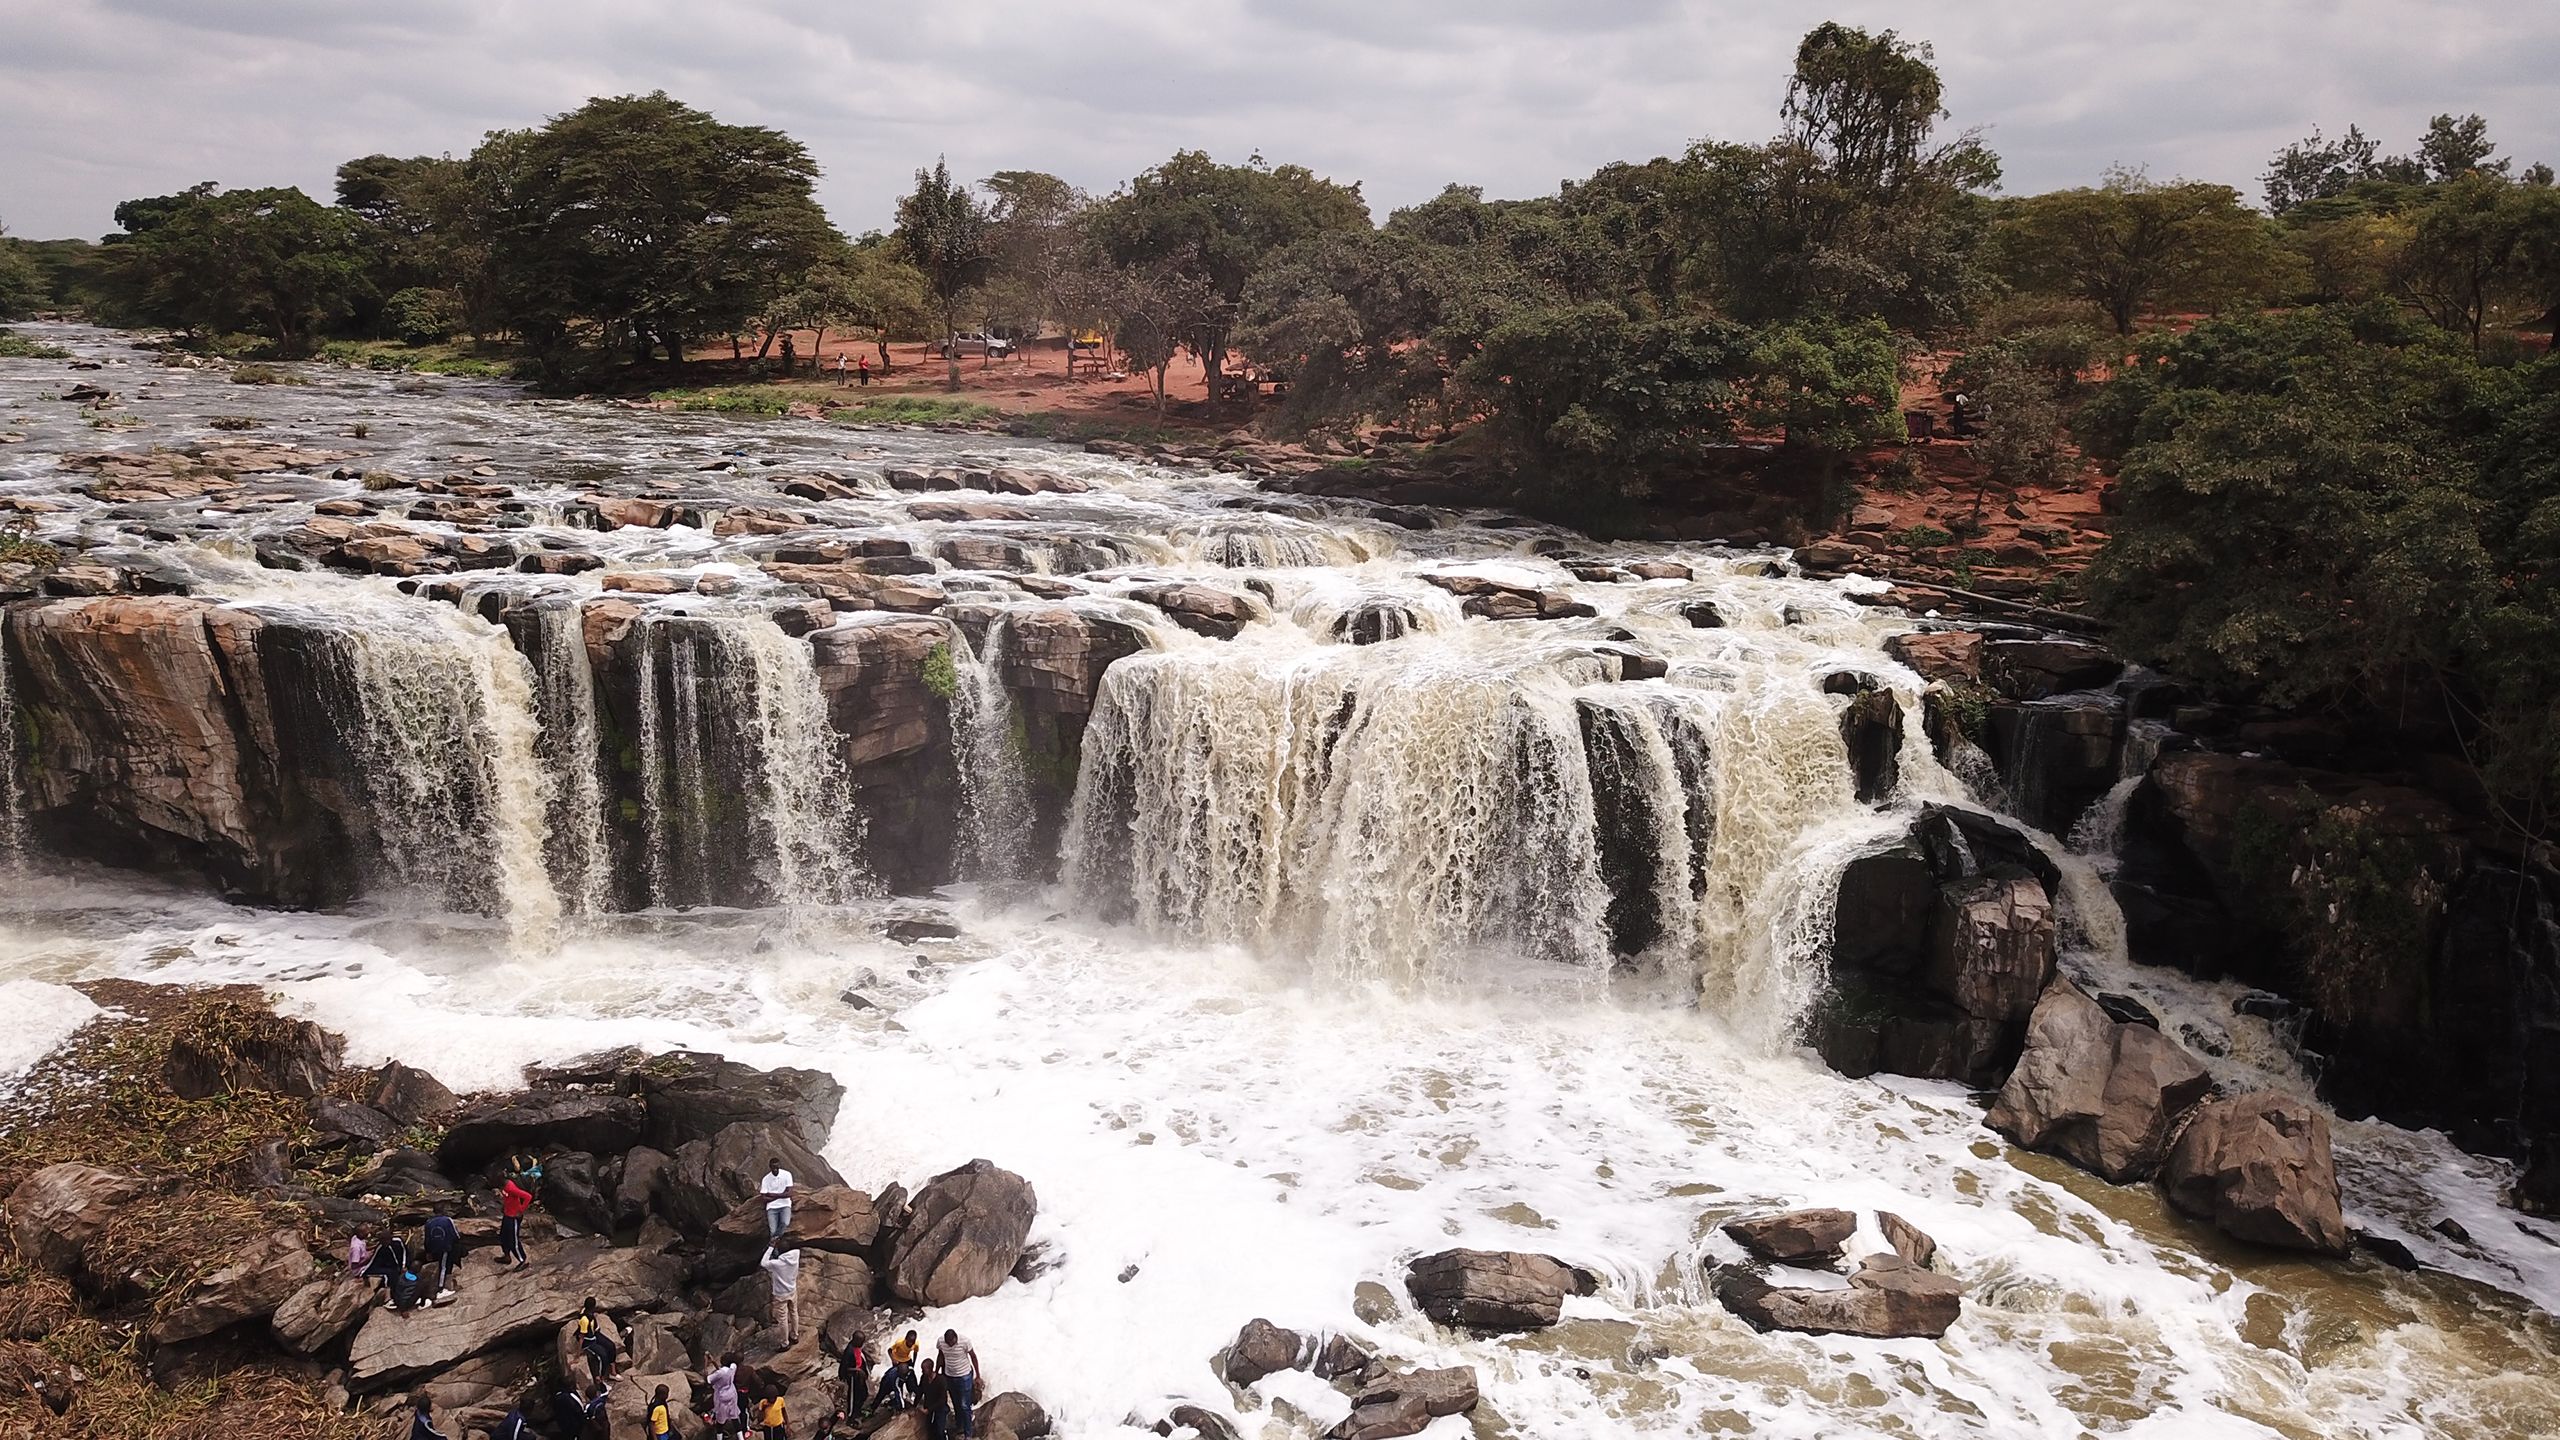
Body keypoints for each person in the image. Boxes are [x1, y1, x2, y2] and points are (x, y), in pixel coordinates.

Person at [937, 1328, 981, 1437]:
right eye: (948, 1343)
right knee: (956, 1403)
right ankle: (959, 1425)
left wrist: (978, 1376)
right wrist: (936, 1371)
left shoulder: (965, 1342)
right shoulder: (941, 1342)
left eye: (951, 1342)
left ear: (955, 1338)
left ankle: (968, 1433)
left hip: (964, 1375)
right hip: (949, 1376)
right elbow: (941, 1356)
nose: (950, 1345)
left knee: (964, 1405)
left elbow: (973, 1357)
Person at [760, 1236, 802, 1345]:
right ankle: (795, 1335)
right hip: (792, 1289)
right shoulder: (795, 1256)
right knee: (794, 1312)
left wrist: (771, 1247)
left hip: (780, 1294)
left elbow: (763, 1263)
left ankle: (785, 1342)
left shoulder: (777, 1264)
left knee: (783, 1319)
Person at [577, 1297, 616, 1383]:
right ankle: (601, 1378)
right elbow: (581, 1337)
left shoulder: (590, 1314)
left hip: (594, 1334)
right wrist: (578, 1355)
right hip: (588, 1341)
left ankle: (613, 1372)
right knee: (603, 1355)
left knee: (611, 1345)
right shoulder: (584, 1319)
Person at [423, 1205, 460, 1297]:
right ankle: (441, 1288)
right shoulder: (447, 1220)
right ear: (443, 1210)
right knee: (444, 1267)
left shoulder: (428, 1222)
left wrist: (428, 1251)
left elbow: (427, 1238)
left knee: (442, 1265)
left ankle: (442, 1285)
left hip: (433, 1248)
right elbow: (455, 1235)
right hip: (445, 1247)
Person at [707, 1351, 744, 1440]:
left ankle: (719, 1438)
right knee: (735, 1418)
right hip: (732, 1394)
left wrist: (706, 1362)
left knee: (720, 1421)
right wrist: (713, 1362)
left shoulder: (720, 1373)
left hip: (722, 1397)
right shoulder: (733, 1367)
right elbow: (722, 1371)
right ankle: (741, 1438)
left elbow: (708, 1379)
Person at [499, 1176, 535, 1268]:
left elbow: (528, 1196)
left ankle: (522, 1260)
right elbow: (508, 1198)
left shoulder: (510, 1188)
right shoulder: (503, 1187)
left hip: (513, 1217)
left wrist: (521, 1210)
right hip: (507, 1214)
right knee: (503, 1236)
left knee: (513, 1241)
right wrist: (504, 1206)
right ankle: (506, 1256)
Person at [882, 1329, 920, 1409]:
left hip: (907, 1360)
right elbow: (889, 1350)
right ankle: (898, 1395)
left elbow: (915, 1352)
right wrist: (893, 1360)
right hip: (898, 1360)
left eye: (912, 1342)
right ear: (906, 1339)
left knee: (910, 1378)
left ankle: (911, 1394)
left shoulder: (916, 1344)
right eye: (909, 1342)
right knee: (898, 1378)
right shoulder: (899, 1343)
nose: (911, 1344)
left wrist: (913, 1363)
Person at [836, 1331, 871, 1418]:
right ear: (855, 1340)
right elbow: (845, 1367)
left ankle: (858, 1410)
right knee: (853, 1396)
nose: (863, 1343)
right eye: (861, 1341)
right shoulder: (849, 1352)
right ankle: (851, 1415)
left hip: (859, 1375)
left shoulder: (857, 1347)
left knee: (864, 1394)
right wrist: (858, 1370)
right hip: (852, 1377)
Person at [759, 1157, 795, 1236]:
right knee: (773, 1230)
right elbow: (763, 1198)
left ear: (780, 1166)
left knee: (785, 1223)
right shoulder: (766, 1179)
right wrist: (782, 1194)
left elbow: (789, 1193)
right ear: (770, 1167)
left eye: (777, 1167)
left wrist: (774, 1195)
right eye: (773, 1167)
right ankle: (774, 1247)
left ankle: (773, 1242)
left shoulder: (787, 1174)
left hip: (785, 1204)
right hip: (771, 1207)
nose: (775, 1169)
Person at [918, 1358, 949, 1440]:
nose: (922, 1371)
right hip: (928, 1405)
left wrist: (929, 1409)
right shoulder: (923, 1378)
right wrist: (915, 1405)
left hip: (939, 1407)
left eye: (923, 1369)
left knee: (939, 1429)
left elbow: (943, 1400)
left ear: (930, 1369)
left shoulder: (941, 1380)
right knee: (929, 1428)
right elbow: (920, 1391)